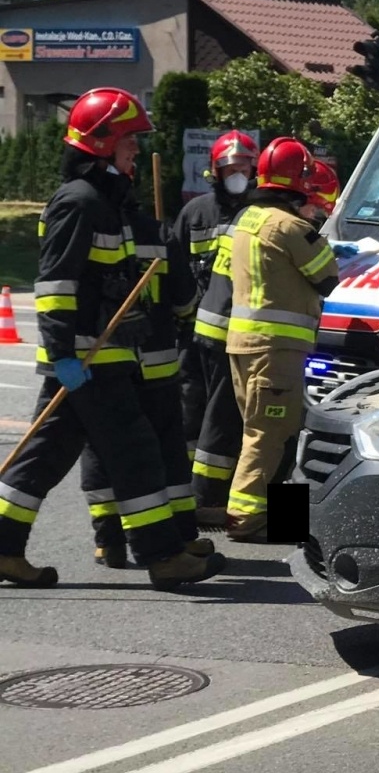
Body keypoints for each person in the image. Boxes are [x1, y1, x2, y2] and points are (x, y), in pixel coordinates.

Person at [0, 88, 225, 588]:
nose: (136, 150)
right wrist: (63, 355)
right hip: (88, 357)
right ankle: (163, 557)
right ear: (102, 142)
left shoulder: (106, 203)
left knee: (44, 456)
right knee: (135, 452)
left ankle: (3, 546)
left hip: (103, 355)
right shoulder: (78, 202)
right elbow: (56, 285)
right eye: (129, 140)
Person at [79, 173, 215, 566]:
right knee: (166, 451)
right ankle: (180, 537)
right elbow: (185, 299)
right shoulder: (157, 232)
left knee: (103, 449)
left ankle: (109, 540)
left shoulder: (96, 232)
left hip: (109, 365)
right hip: (156, 365)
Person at [223, 139, 339, 540]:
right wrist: (319, 231)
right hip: (276, 349)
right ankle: (246, 519)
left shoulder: (248, 219)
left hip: (246, 346)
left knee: (269, 430)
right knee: (274, 434)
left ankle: (282, 520)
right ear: (299, 180)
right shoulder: (290, 226)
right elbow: (328, 278)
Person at [177, 131, 258, 524]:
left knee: (241, 423)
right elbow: (176, 267)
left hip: (248, 338)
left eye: (243, 167)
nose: (237, 174)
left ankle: (232, 507)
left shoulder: (263, 216)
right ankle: (199, 496)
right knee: (198, 412)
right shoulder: (196, 213)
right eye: (229, 167)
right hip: (201, 333)